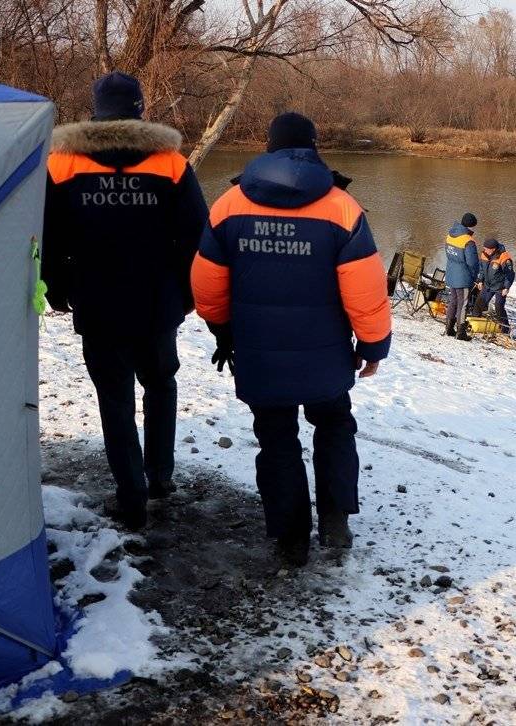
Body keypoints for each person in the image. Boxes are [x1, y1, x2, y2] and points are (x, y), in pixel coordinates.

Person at [191, 112, 391, 568]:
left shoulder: (229, 204)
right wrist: (373, 346)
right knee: (335, 424)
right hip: (326, 356)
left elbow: (206, 284)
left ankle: (290, 538)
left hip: (259, 354)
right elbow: (366, 288)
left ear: (268, 146)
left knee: (277, 438)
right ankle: (336, 518)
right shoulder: (342, 207)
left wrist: (223, 330)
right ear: (314, 147)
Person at [42, 72, 208, 531]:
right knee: (160, 385)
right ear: (139, 108)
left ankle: (131, 496)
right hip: (157, 302)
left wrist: (55, 286)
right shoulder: (170, 161)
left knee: (114, 399)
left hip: (97, 301)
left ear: (96, 109)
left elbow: (49, 234)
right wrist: (187, 292)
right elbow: (197, 233)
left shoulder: (63, 162)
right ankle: (159, 478)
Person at [444, 213, 480, 340]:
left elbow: (449, 254)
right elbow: (472, 263)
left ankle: (448, 328)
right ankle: (460, 332)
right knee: (463, 304)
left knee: (453, 301)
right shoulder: (468, 241)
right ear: (471, 226)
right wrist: (476, 277)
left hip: (451, 274)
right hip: (463, 277)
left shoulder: (450, 235)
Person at [473, 238, 514, 331]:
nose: (485, 250)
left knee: (499, 307)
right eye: (484, 248)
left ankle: (505, 329)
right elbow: (482, 269)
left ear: (493, 249)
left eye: (487, 249)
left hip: (500, 286)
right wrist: (480, 280)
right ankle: (475, 322)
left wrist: (506, 287)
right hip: (488, 285)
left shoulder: (504, 257)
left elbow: (510, 274)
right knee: (479, 303)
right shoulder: (484, 254)